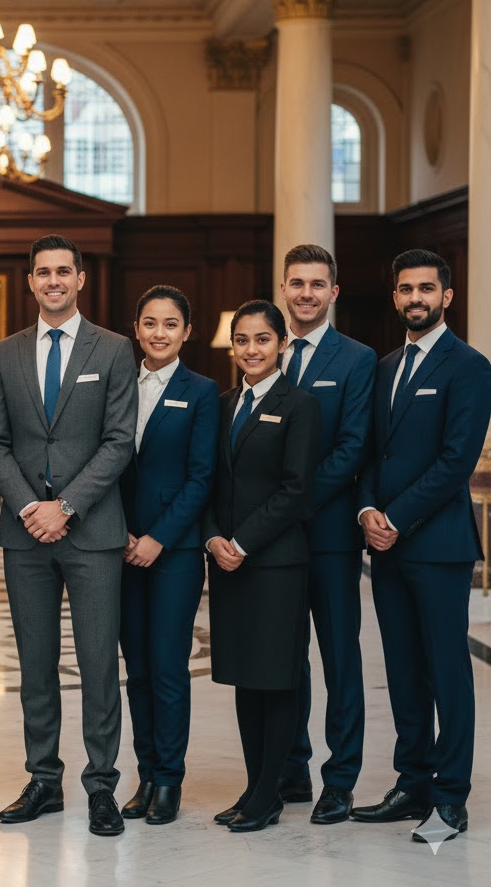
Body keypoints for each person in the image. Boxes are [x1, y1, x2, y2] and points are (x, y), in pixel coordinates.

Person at [0, 234, 137, 838]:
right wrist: (29, 508)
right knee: (35, 664)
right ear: (30, 281)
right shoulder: (6, 352)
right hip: (26, 537)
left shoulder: (115, 349)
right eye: (42, 272)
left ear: (80, 280)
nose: (53, 281)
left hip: (94, 532)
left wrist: (65, 506)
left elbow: (119, 440)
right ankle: (43, 780)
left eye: (63, 272)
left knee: (99, 664)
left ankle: (101, 785)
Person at [351, 249, 491, 843]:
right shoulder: (383, 367)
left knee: (446, 670)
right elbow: (367, 452)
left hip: (437, 545)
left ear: (447, 296)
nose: (416, 298)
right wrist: (366, 511)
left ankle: (451, 796)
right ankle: (412, 783)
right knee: (404, 670)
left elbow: (457, 459)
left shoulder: (470, 366)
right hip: (385, 547)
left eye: (426, 289)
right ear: (395, 297)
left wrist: (397, 517)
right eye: (406, 288)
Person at [205, 299, 321, 833]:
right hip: (227, 564)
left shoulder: (299, 405)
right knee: (245, 680)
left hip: (275, 563)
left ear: (280, 345)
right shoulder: (223, 403)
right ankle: (252, 787)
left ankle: (271, 793)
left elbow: (296, 490)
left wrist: (243, 542)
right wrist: (213, 538)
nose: (251, 350)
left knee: (275, 679)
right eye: (243, 340)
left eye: (262, 340)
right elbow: (207, 480)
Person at [276, 244, 376, 824]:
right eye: (297, 283)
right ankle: (291, 768)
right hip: (275, 543)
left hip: (333, 536)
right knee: (284, 658)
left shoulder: (357, 360)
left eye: (317, 284)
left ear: (333, 292)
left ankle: (340, 780)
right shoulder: (264, 352)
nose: (306, 293)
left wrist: (288, 505)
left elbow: (352, 448)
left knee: (339, 658)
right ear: (284, 290)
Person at [118, 286, 219, 826]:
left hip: (173, 551)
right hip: (119, 547)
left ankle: (170, 781)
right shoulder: (117, 384)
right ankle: (145, 774)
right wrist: (124, 534)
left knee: (167, 667)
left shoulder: (201, 391)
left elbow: (203, 476)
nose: (160, 333)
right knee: (134, 668)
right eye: (151, 323)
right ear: (137, 329)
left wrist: (157, 536)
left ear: (187, 331)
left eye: (171, 324)